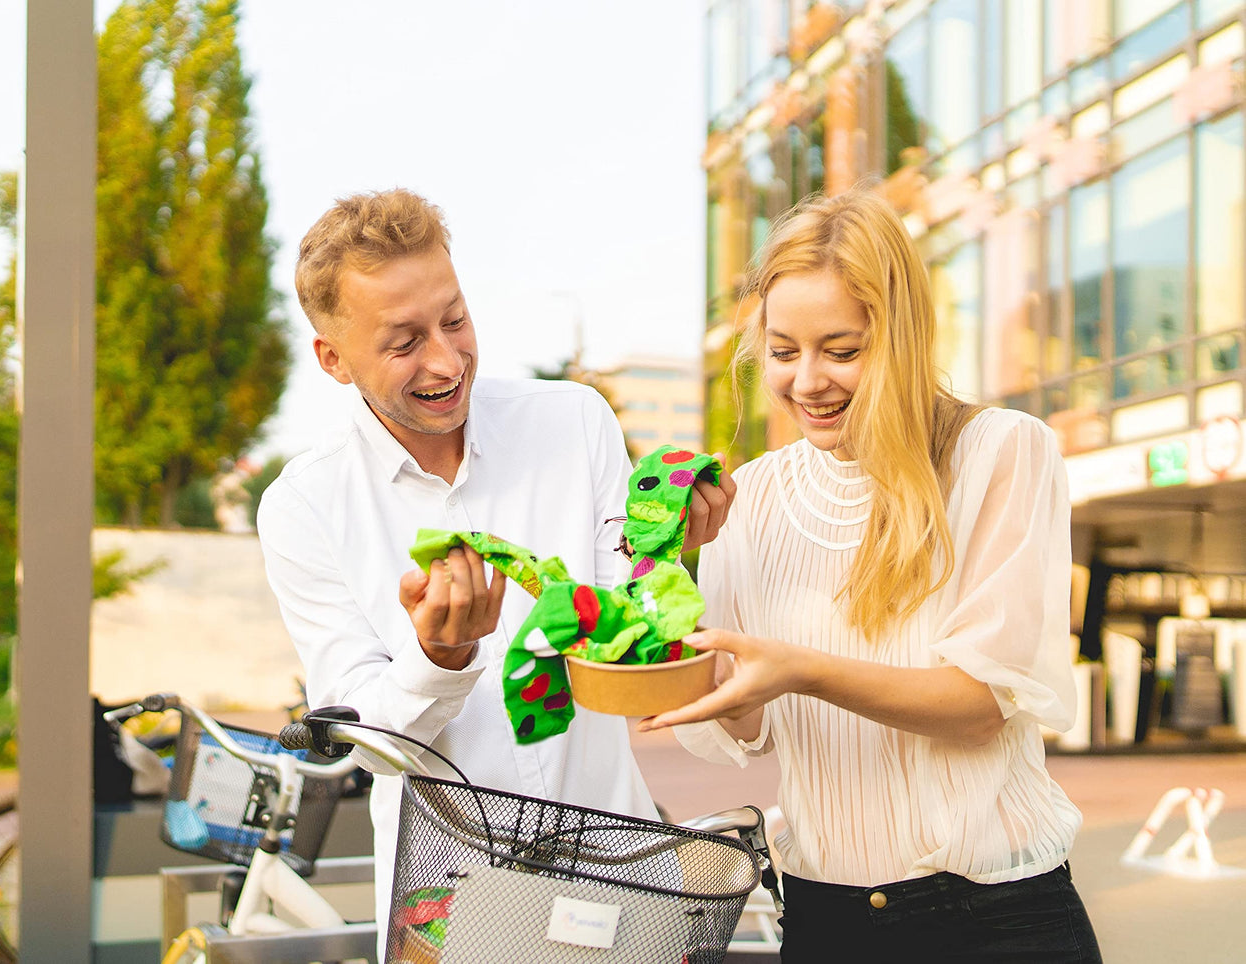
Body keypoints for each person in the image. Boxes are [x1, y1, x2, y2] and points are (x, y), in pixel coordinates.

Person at [255, 187, 734, 942]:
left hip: (621, 873)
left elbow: (632, 629)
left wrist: (669, 541)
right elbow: (361, 738)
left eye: (454, 319)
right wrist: (437, 658)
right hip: (448, 904)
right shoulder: (303, 506)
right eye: (403, 341)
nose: (446, 359)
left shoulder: (573, 422)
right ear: (332, 360)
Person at [639, 188, 1102, 962]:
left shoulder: (999, 453)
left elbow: (979, 704)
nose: (807, 381)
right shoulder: (749, 495)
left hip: (996, 919)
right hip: (829, 922)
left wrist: (800, 671)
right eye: (783, 351)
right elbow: (738, 725)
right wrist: (663, 573)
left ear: (901, 338)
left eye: (841, 350)